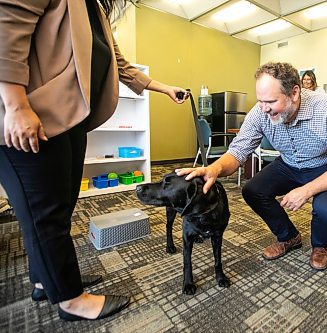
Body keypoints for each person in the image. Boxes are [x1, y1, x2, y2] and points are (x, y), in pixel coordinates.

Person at [0, 0, 188, 321]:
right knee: (44, 213)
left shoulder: (95, 8)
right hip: (26, 112)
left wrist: (164, 88)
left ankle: (48, 281)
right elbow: (7, 22)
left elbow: (119, 62)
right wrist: (16, 106)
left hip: (67, 116)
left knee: (59, 207)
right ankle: (71, 300)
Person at [177, 62, 327, 271]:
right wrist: (215, 168)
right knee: (252, 190)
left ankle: (320, 245)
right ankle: (289, 237)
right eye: (260, 101)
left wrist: (306, 190)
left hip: (325, 167)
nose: (264, 108)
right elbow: (238, 151)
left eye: (271, 101)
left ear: (294, 93)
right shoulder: (261, 112)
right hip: (289, 164)